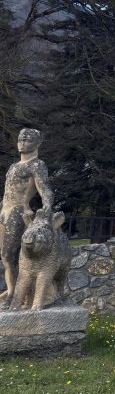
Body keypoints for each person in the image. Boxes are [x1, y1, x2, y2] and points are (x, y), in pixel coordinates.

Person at [0, 129, 54, 305]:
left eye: (28, 139)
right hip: (4, 212)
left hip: (18, 212)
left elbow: (44, 188)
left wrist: (47, 206)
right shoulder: (13, 166)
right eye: (20, 139)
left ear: (38, 143)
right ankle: (11, 291)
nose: (22, 141)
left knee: (11, 254)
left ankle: (14, 295)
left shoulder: (36, 165)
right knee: (5, 256)